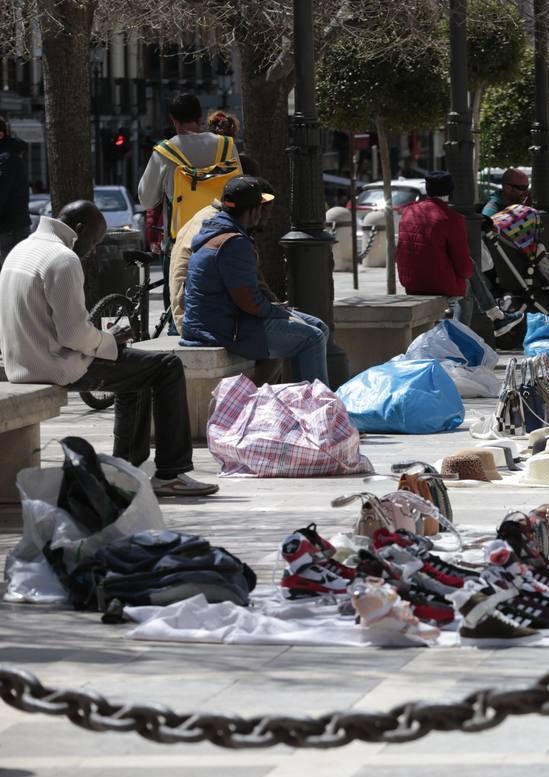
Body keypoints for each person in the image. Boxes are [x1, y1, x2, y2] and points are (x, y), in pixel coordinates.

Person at [0, 201, 217, 496]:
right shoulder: (62, 259)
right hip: (56, 364)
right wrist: (109, 340)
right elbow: (73, 334)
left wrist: (106, 343)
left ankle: (123, 468)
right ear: (79, 229)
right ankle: (171, 473)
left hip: (22, 363)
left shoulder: (21, 249)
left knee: (139, 370)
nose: (94, 249)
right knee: (167, 366)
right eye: (95, 240)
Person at [182, 177, 331, 385]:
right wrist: (277, 312)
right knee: (312, 337)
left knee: (319, 326)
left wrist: (276, 310)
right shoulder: (234, 243)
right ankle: (315, 409)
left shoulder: (215, 231)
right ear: (253, 211)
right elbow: (249, 302)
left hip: (218, 321)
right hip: (219, 329)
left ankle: (299, 400)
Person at [138, 94, 240, 325]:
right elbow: (239, 186)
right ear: (200, 117)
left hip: (179, 242)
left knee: (180, 311)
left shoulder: (165, 152)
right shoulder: (226, 147)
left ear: (173, 120)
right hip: (223, 237)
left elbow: (145, 199)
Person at [397, 170, 523, 336]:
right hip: (434, 283)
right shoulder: (451, 218)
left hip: (410, 282)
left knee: (467, 273)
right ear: (451, 191)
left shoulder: (409, 213)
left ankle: (496, 317)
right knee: (467, 286)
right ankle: (464, 336)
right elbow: (463, 268)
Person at [0, 116, 30, 265]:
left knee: (8, 271)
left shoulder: (5, 159)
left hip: (7, 226)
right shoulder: (12, 155)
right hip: (16, 223)